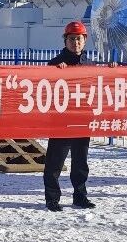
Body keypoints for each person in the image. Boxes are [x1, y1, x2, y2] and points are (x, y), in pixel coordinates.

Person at [43, 20, 116, 212]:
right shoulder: (55, 64)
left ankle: (80, 196)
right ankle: (52, 199)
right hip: (61, 121)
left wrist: (112, 69)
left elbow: (104, 82)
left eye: (79, 39)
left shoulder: (90, 65)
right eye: (72, 39)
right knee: (54, 162)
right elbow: (45, 87)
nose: (75, 43)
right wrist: (55, 72)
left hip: (82, 120)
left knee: (80, 163)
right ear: (65, 41)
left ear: (85, 41)